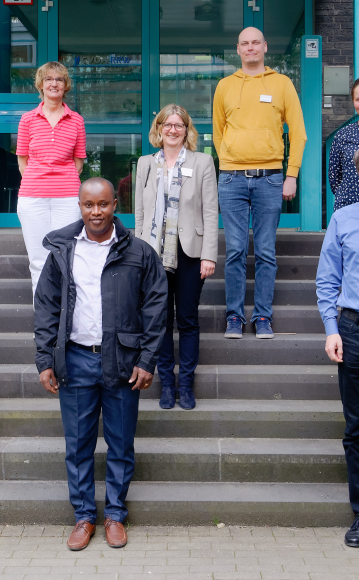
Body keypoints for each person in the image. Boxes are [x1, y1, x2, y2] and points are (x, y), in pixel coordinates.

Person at [33, 177, 167, 551]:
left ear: (115, 205)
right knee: (78, 445)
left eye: (103, 204)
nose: (96, 212)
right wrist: (45, 358)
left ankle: (115, 515)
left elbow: (156, 310)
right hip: (74, 360)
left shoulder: (140, 253)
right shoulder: (62, 250)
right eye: (88, 205)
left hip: (122, 362)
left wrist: (146, 360)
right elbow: (45, 307)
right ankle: (83, 517)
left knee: (121, 444)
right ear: (79, 205)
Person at [213, 26, 306, 339]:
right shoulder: (224, 86)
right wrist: (230, 159)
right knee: (236, 250)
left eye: (256, 43)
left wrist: (290, 174)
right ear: (237, 49)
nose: (250, 48)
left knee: (266, 251)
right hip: (232, 179)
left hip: (269, 179)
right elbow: (218, 131)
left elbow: (298, 131)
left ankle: (263, 317)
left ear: (265, 47)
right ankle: (234, 318)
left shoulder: (281, 83)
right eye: (244, 44)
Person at [134, 104, 218, 410]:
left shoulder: (203, 162)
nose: (172, 129)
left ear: (186, 129)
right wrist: (140, 252)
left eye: (178, 125)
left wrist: (209, 254)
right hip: (154, 253)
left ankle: (187, 385)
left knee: (187, 319)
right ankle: (167, 385)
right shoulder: (146, 163)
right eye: (167, 125)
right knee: (160, 321)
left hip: (190, 253)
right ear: (159, 129)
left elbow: (210, 212)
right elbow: (140, 213)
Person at [16, 61, 86, 295]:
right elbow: (22, 160)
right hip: (32, 198)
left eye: (59, 79)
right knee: (38, 261)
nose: (54, 83)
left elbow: (78, 162)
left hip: (67, 199)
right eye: (48, 79)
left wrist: (60, 181)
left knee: (66, 260)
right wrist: (40, 181)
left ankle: (65, 326)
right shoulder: (27, 119)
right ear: (40, 84)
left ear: (66, 86)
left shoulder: (76, 120)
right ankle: (44, 329)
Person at [316, 192, 359, 548]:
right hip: (353, 329)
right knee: (357, 427)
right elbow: (328, 280)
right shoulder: (343, 219)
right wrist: (332, 329)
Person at [328, 78, 359, 212]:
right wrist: (346, 195)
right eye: (358, 99)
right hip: (348, 207)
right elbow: (334, 177)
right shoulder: (343, 135)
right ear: (353, 102)